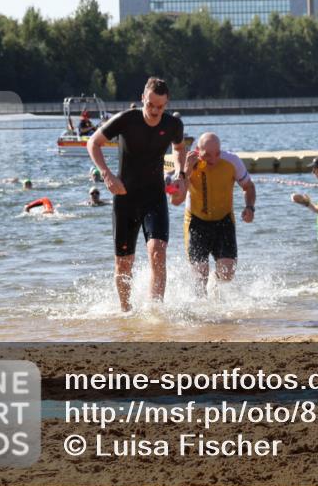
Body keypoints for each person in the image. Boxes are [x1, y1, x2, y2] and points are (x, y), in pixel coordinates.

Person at [88, 77, 187, 312]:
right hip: (125, 198)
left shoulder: (173, 125)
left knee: (158, 253)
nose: (154, 111)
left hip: (155, 197)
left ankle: (155, 311)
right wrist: (108, 175)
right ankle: (126, 311)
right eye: (150, 104)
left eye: (160, 107)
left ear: (167, 104)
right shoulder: (126, 120)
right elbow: (93, 143)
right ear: (143, 98)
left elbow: (180, 148)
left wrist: (181, 174)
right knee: (124, 264)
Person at [170, 132, 255, 289]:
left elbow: (248, 187)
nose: (213, 160)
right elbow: (176, 201)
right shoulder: (187, 165)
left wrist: (249, 207)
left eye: (217, 154)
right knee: (199, 277)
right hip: (196, 222)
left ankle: (214, 289)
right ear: (197, 150)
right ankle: (201, 308)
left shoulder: (232, 161)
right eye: (207, 155)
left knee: (227, 275)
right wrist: (186, 173)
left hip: (224, 221)